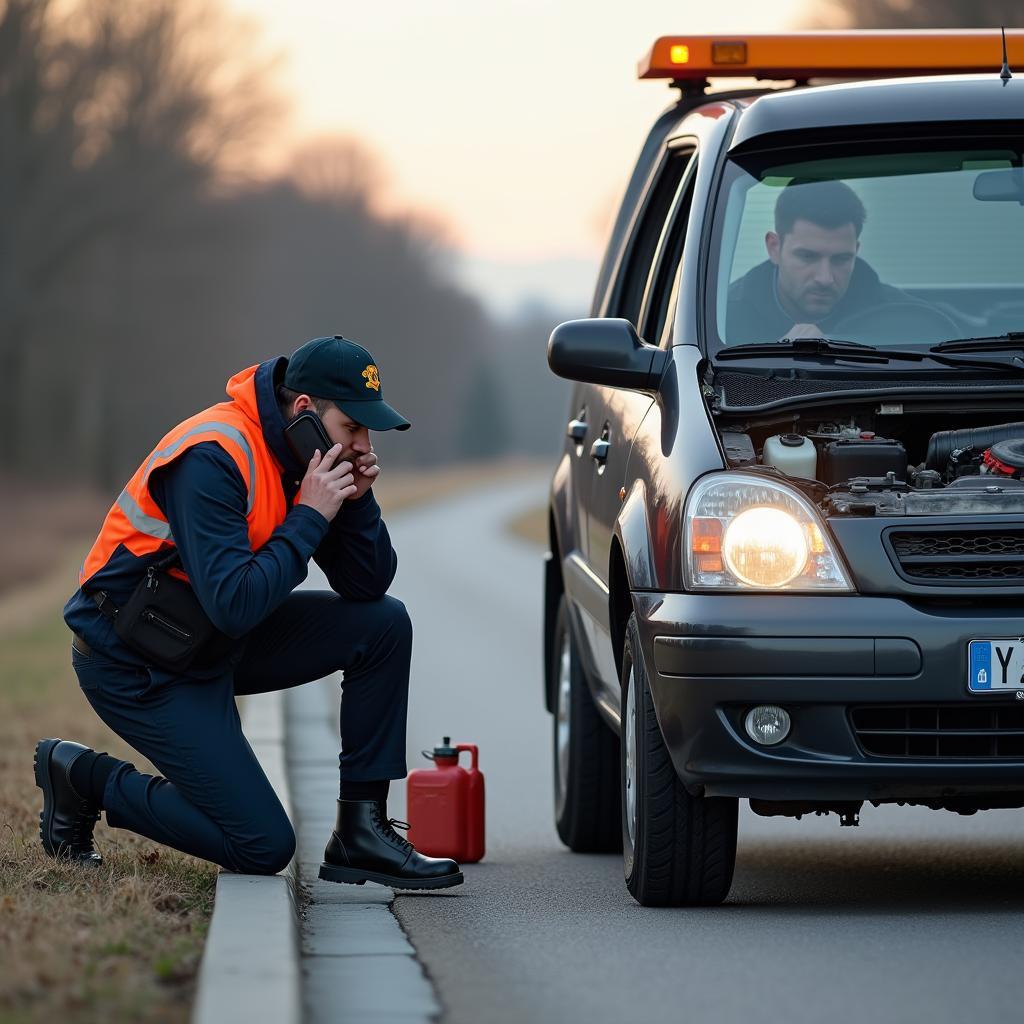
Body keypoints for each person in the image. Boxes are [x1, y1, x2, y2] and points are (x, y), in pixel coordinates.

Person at [35, 335, 463, 890]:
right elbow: (235, 604)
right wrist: (310, 515)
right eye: (352, 428)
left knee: (383, 624)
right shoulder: (213, 456)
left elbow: (368, 583)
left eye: (367, 433)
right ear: (305, 411)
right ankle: (82, 778)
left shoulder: (305, 455)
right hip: (137, 664)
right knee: (262, 844)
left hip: (207, 642)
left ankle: (361, 830)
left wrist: (355, 502)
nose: (361, 444)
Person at [725, 178, 907, 344]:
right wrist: (773, 355)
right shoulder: (722, 322)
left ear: (856, 251)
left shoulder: (901, 317)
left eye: (841, 259)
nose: (825, 278)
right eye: (807, 256)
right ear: (774, 248)